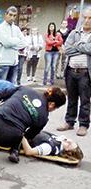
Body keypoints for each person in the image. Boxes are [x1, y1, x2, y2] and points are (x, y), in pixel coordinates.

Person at [0, 86, 66, 163]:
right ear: (52, 104)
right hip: (9, 139)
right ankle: (14, 151)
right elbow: (28, 136)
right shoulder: (44, 117)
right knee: (20, 134)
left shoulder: (25, 89)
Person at [57, 7, 91, 137]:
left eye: (90, 18)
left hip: (85, 72)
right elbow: (67, 50)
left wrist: (77, 46)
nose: (87, 21)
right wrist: (82, 47)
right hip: (71, 71)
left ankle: (83, 124)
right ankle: (69, 122)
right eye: (85, 18)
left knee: (85, 100)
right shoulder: (74, 33)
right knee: (71, 98)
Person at [0, 6, 27, 84]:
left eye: (14, 15)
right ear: (6, 14)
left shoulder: (16, 29)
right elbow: (6, 43)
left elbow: (24, 43)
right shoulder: (0, 28)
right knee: (0, 89)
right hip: (3, 63)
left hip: (14, 63)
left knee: (11, 89)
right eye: (10, 15)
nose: (12, 17)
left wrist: (11, 43)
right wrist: (16, 41)